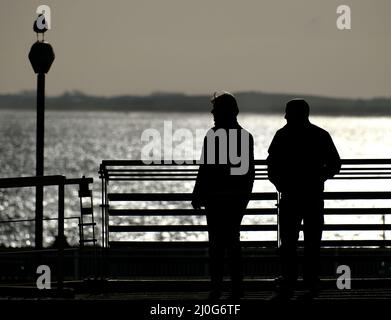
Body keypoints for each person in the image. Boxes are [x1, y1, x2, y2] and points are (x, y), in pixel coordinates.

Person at [267, 98, 341, 300]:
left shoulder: (282, 135)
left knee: (289, 241)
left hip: (290, 196)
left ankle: (289, 280)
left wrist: (280, 184)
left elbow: (271, 167)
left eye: (287, 113)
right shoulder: (320, 135)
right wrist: (320, 177)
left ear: (293, 114)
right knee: (313, 240)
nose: (284, 116)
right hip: (313, 196)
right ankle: (311, 280)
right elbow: (335, 163)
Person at [191, 92, 255, 300]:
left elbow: (205, 169)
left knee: (216, 244)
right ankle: (236, 287)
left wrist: (198, 193)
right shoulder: (245, 136)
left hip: (216, 197)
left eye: (216, 109)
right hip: (235, 198)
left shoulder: (212, 135)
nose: (212, 113)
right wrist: (244, 196)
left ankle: (217, 287)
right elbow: (248, 173)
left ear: (225, 111)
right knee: (232, 242)